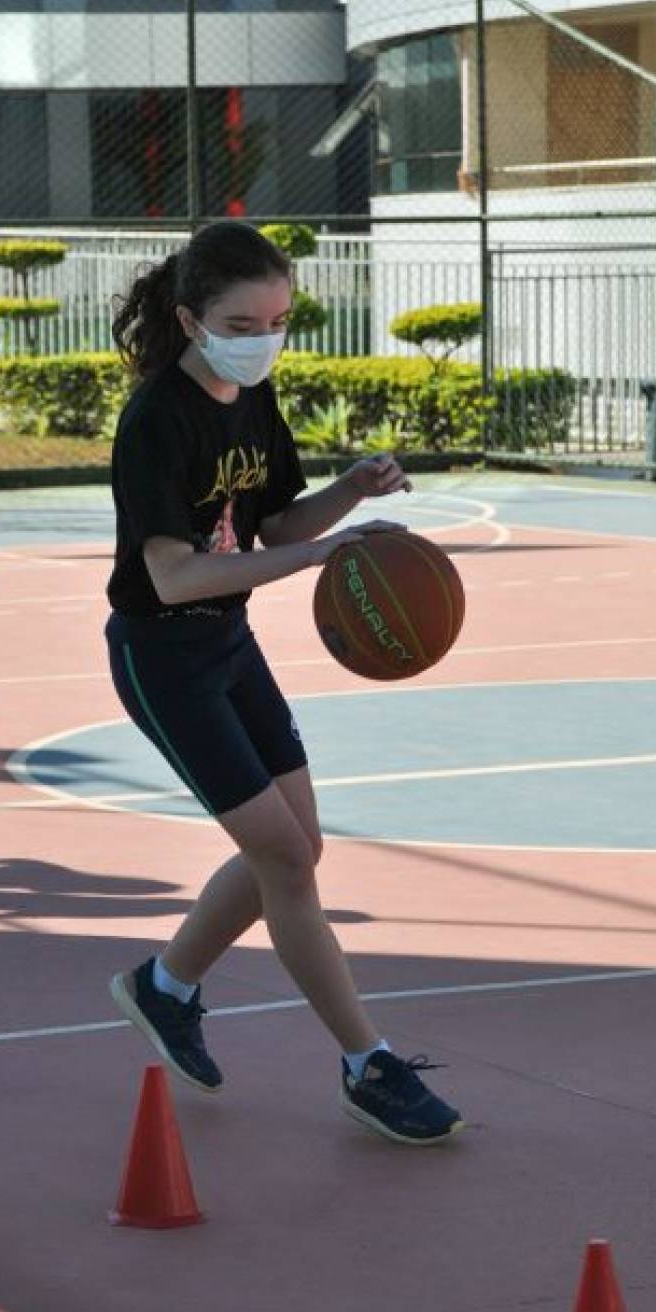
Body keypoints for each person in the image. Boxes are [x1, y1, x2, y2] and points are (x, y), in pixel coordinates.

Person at [105, 221, 463, 1145]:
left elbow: (273, 526)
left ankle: (166, 986)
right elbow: (175, 576)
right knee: (288, 861)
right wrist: (319, 556)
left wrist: (349, 493)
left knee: (296, 847)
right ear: (191, 319)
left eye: (278, 322)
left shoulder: (252, 398)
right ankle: (366, 1064)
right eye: (241, 324)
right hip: (163, 656)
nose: (263, 339)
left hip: (228, 642)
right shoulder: (156, 420)